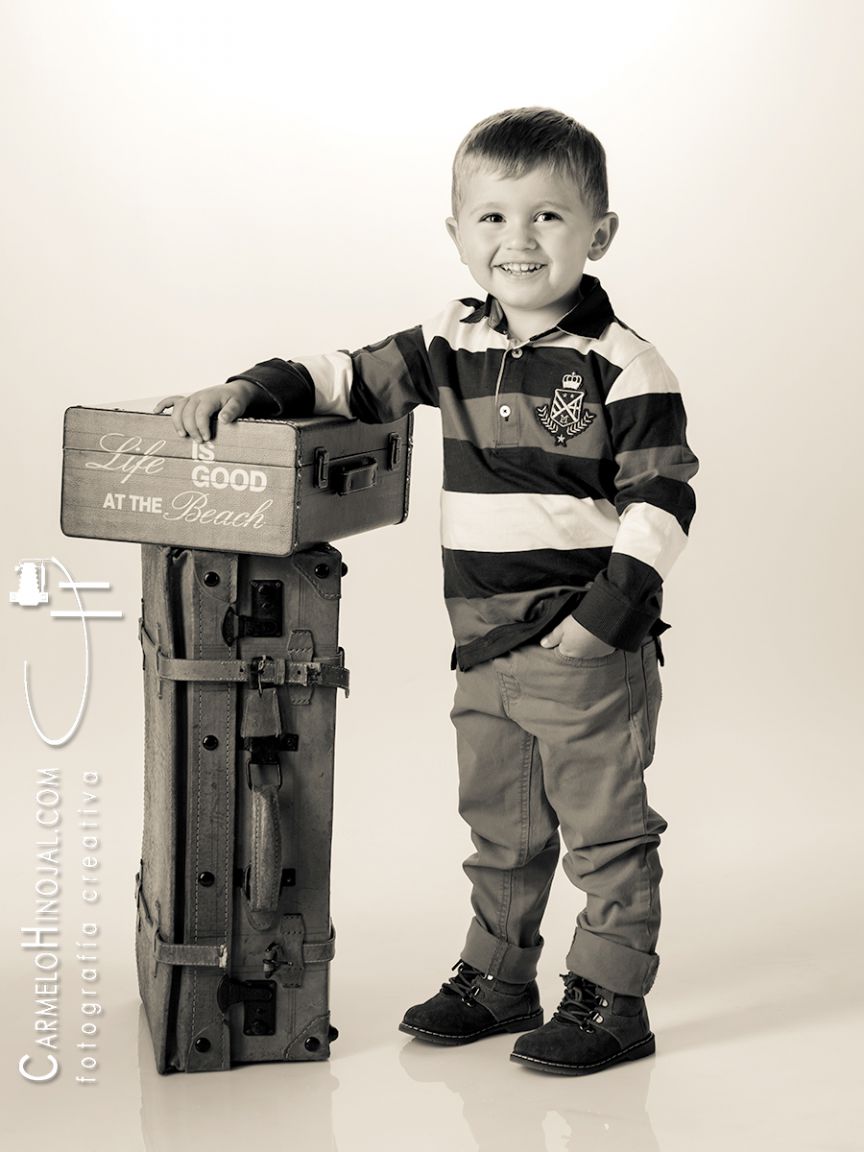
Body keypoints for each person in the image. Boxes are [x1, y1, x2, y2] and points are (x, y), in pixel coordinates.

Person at [157, 107, 698, 1076]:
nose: (518, 240)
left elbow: (661, 499)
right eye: (492, 218)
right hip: (483, 647)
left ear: (599, 232)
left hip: (584, 650)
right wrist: (249, 388)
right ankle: (498, 977)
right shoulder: (447, 342)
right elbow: (344, 379)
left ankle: (613, 999)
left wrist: (599, 625)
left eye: (547, 217)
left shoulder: (625, 366)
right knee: (502, 826)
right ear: (457, 234)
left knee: (605, 834)